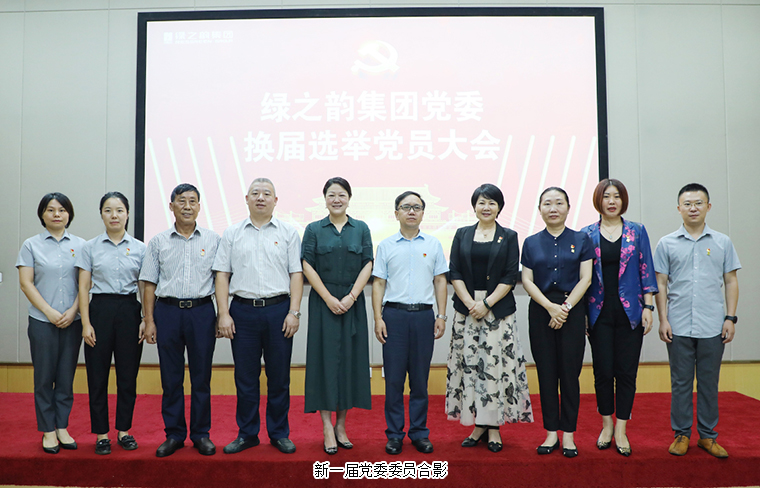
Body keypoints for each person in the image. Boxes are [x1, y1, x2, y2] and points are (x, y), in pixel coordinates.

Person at [214, 177, 303, 455]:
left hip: (279, 310)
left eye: (266, 194)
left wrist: (294, 312)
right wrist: (223, 314)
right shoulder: (232, 233)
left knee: (279, 377)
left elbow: (296, 274)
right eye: (255, 193)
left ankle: (278, 433)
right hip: (242, 311)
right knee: (245, 378)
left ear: (276, 200)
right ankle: (247, 434)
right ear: (246, 199)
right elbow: (222, 275)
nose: (260, 198)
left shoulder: (288, 232)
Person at [654, 183, 740, 459]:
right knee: (680, 382)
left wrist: (730, 318)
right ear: (679, 208)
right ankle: (681, 434)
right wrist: (663, 320)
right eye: (687, 204)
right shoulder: (666, 243)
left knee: (708, 382)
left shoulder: (722, 242)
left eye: (698, 203)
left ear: (708, 207)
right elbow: (660, 284)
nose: (693, 208)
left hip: (713, 325)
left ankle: (707, 436)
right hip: (677, 325)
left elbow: (731, 281)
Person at [445, 184, 533, 453]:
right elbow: (454, 271)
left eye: (492, 203)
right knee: (470, 366)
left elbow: (510, 275)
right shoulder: (462, 234)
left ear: (499, 207)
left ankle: (493, 426)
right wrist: (471, 303)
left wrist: (486, 304)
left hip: (497, 310)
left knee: (495, 368)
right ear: (474, 206)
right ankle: (478, 424)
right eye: (481, 202)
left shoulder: (509, 236)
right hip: (467, 310)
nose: (486, 207)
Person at [139, 183, 221, 457]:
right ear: (171, 206)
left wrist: (222, 314)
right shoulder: (158, 241)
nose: (187, 206)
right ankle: (174, 434)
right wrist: (149, 320)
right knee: (171, 378)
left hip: (201, 312)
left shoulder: (213, 240)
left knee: (201, 377)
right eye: (181, 201)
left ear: (199, 206)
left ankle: (201, 434)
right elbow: (149, 283)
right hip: (168, 312)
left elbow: (221, 280)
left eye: (192, 201)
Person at [581, 179, 658, 457]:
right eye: (606, 196)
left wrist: (648, 307)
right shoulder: (586, 234)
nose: (611, 201)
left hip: (631, 312)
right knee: (603, 372)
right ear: (598, 201)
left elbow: (646, 269)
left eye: (617, 196)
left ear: (623, 200)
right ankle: (607, 425)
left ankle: (622, 428)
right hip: (597, 312)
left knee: (626, 372)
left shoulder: (637, 231)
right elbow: (581, 278)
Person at [372, 190, 448, 455]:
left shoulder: (434, 244)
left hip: (424, 317)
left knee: (419, 380)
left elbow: (440, 281)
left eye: (417, 207)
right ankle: (394, 435)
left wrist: (441, 315)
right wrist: (378, 318)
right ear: (396, 213)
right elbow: (378, 283)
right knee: (393, 380)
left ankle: (419, 433)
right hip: (394, 316)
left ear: (423, 213)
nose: (411, 211)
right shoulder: (386, 246)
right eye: (406, 207)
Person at [302, 177, 373, 455]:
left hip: (352, 302)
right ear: (325, 199)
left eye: (341, 194)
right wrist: (329, 298)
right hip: (323, 303)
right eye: (331, 194)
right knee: (323, 362)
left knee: (349, 363)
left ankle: (341, 425)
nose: (336, 199)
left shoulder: (361, 228)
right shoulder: (313, 229)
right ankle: (326, 427)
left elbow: (368, 263)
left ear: (349, 198)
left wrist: (351, 297)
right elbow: (307, 265)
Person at [521, 187, 593, 458]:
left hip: (571, 311)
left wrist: (565, 308)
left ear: (568, 207)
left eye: (559, 203)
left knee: (570, 374)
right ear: (539, 209)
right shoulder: (531, 242)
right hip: (541, 311)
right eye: (547, 203)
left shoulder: (581, 239)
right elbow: (527, 280)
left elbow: (586, 278)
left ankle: (569, 434)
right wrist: (550, 307)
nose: (553, 208)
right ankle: (551, 432)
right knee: (547, 373)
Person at [77, 192, 146, 455]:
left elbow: (144, 286)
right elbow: (83, 287)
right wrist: (86, 323)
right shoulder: (90, 247)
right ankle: (102, 434)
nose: (114, 215)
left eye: (119, 210)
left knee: (128, 376)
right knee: (97, 376)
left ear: (127, 214)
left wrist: (145, 318)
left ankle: (124, 431)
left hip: (129, 311)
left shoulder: (140, 248)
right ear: (101, 214)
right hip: (99, 311)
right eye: (108, 210)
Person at [16, 192, 85, 454]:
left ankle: (62, 426)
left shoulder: (81, 245)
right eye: (50, 210)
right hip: (42, 321)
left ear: (69, 214)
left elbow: (85, 284)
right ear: (42, 214)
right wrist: (49, 312)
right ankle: (48, 430)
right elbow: (26, 283)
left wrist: (73, 310)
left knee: (66, 377)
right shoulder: (30, 245)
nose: (57, 214)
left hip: (72, 320)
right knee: (44, 378)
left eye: (62, 210)